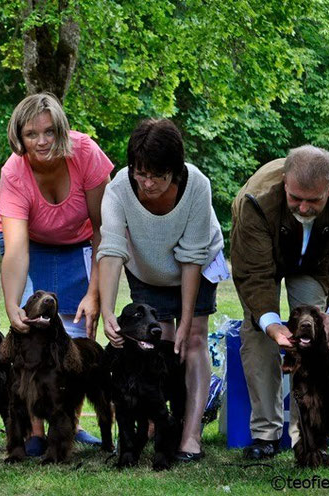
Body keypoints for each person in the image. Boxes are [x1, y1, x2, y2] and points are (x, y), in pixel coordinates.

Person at [97, 118, 225, 462]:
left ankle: (191, 434)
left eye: (158, 176)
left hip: (195, 264)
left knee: (193, 339)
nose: (148, 183)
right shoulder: (119, 189)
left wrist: (185, 320)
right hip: (145, 267)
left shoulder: (197, 185)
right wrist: (108, 311)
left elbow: (192, 256)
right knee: (157, 343)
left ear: (175, 171)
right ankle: (156, 423)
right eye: (141, 173)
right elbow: (110, 248)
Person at [230, 145, 329, 460]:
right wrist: (272, 326)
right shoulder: (255, 201)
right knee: (258, 333)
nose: (303, 208)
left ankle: (315, 431)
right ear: (283, 183)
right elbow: (254, 276)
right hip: (263, 261)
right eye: (295, 199)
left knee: (315, 336)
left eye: (314, 200)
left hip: (315, 265)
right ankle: (265, 434)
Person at [0, 92, 113, 454]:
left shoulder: (86, 154)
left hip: (80, 242)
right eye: (32, 134)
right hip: (29, 242)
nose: (42, 141)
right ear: (19, 135)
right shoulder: (14, 172)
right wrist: (12, 303)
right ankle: (34, 431)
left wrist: (94, 293)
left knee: (74, 338)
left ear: (61, 130)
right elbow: (16, 250)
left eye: (49, 132)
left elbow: (101, 230)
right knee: (32, 330)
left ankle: (68, 424)